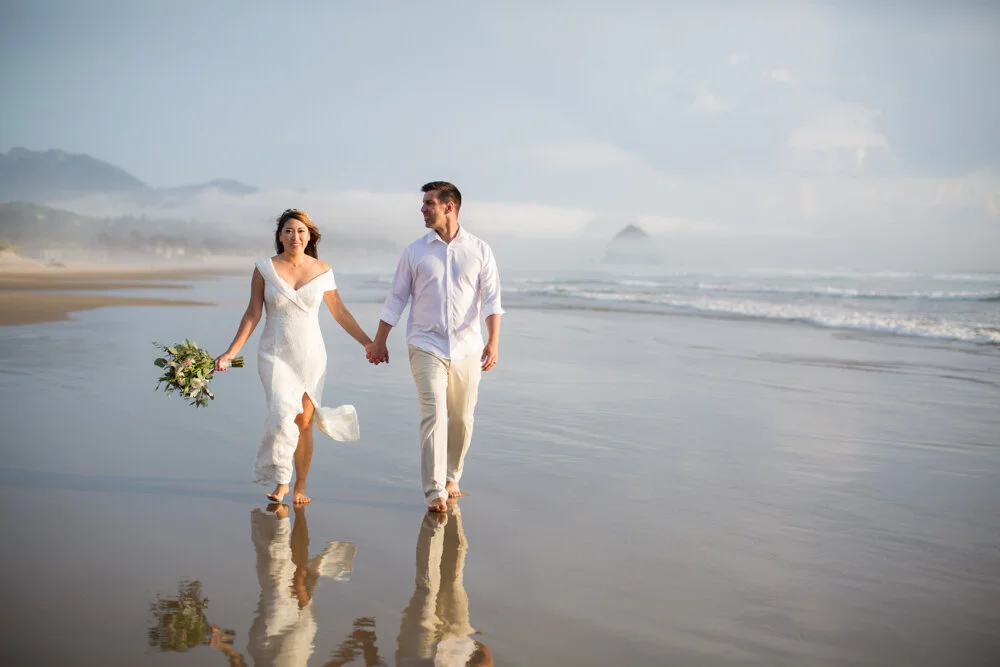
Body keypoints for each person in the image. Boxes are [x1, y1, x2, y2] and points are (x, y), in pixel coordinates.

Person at [217, 208, 376, 505]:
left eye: (301, 231)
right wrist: (231, 352)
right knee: (281, 416)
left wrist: (368, 342)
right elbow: (253, 313)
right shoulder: (264, 268)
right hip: (274, 355)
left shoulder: (323, 270)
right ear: (280, 236)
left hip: (311, 356)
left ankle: (299, 485)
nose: (295, 236)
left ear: (309, 236)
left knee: (303, 422)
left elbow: (340, 312)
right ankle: (282, 478)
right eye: (289, 231)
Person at [367, 182, 503, 512]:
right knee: (434, 414)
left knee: (462, 418)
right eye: (424, 203)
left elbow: (492, 300)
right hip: (425, 344)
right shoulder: (415, 252)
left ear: (449, 207)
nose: (423, 209)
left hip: (468, 346)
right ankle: (433, 490)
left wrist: (493, 342)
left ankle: (453, 475)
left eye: (429, 203)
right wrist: (379, 340)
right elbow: (397, 298)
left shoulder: (480, 250)